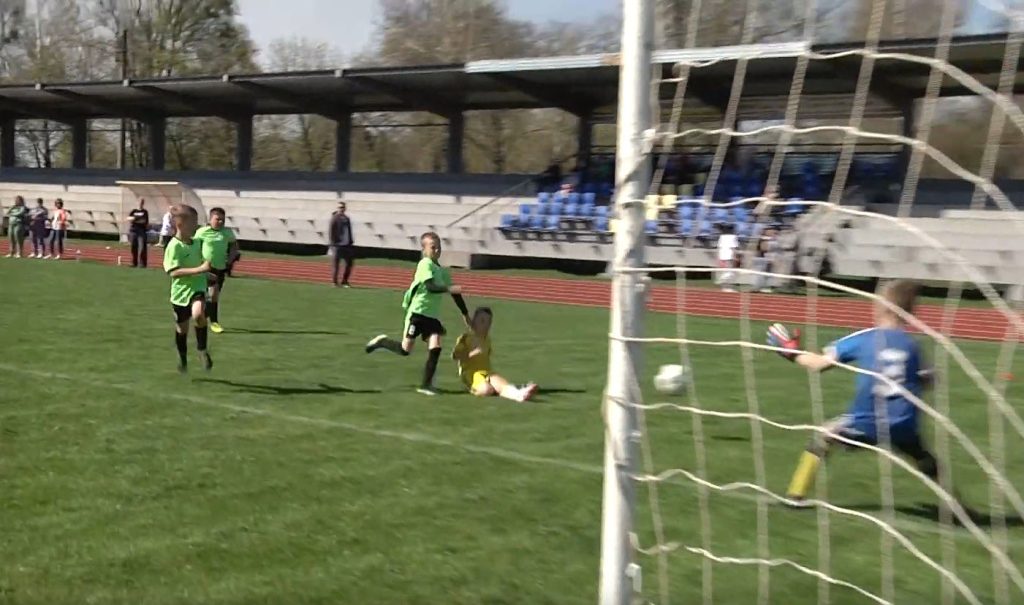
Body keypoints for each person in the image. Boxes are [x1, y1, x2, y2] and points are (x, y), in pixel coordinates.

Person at [768, 280, 947, 504]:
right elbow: (931, 380)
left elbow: (819, 364)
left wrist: (790, 352)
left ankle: (795, 496)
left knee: (824, 434)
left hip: (868, 422)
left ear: (882, 308)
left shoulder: (867, 337)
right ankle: (956, 506)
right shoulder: (913, 345)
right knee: (923, 456)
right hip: (904, 422)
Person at [365, 231, 470, 396]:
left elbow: (455, 294)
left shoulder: (442, 271)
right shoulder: (425, 264)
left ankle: (426, 385)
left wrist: (465, 314)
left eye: (439, 247)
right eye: (433, 247)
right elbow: (430, 287)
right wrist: (449, 288)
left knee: (436, 346)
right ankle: (383, 342)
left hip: (432, 316)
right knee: (405, 350)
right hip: (417, 313)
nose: (437, 250)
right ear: (424, 250)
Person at [163, 204, 214, 373]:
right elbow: (174, 272)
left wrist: (206, 274)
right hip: (180, 294)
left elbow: (200, 263)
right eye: (193, 222)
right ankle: (182, 357)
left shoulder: (197, 243)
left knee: (198, 314)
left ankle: (202, 350)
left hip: (198, 288)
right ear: (180, 224)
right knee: (181, 329)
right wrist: (200, 270)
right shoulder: (174, 246)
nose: (196, 226)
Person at [452, 307, 538, 403]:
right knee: (487, 390)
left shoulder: (487, 339)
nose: (486, 325)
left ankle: (519, 394)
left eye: (489, 322)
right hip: (470, 374)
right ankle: (475, 388)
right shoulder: (465, 338)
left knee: (501, 385)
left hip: (487, 372)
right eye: (482, 321)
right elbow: (455, 356)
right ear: (474, 321)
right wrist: (472, 353)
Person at [194, 207, 238, 334]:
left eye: (222, 220)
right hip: (206, 268)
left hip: (221, 268)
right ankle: (214, 322)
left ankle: (203, 315)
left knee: (213, 297)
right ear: (210, 219)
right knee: (213, 294)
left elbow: (234, 246)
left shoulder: (227, 232)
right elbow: (194, 247)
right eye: (217, 219)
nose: (220, 222)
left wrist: (230, 259)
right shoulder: (202, 232)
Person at [328, 201, 355, 287]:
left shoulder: (347, 218)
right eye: (340, 207)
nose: (341, 209)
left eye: (343, 207)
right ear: (337, 208)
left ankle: (345, 281)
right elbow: (331, 231)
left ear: (345, 208)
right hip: (337, 245)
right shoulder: (334, 218)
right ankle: (334, 282)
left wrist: (350, 241)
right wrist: (333, 243)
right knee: (336, 264)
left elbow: (349, 231)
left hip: (347, 244)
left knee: (349, 263)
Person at [125, 198, 149, 268]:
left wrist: (134, 219)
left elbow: (144, 221)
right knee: (133, 247)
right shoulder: (133, 211)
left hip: (141, 231)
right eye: (139, 202)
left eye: (142, 202)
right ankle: (134, 262)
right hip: (133, 231)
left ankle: (142, 263)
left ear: (143, 203)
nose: (140, 203)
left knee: (142, 247)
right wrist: (136, 218)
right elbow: (128, 218)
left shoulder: (145, 212)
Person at [716, 224, 740, 292]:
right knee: (729, 271)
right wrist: (735, 256)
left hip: (722, 255)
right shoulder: (733, 237)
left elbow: (719, 247)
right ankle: (725, 285)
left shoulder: (722, 237)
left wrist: (718, 257)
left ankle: (725, 286)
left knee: (726, 271)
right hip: (729, 256)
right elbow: (733, 247)